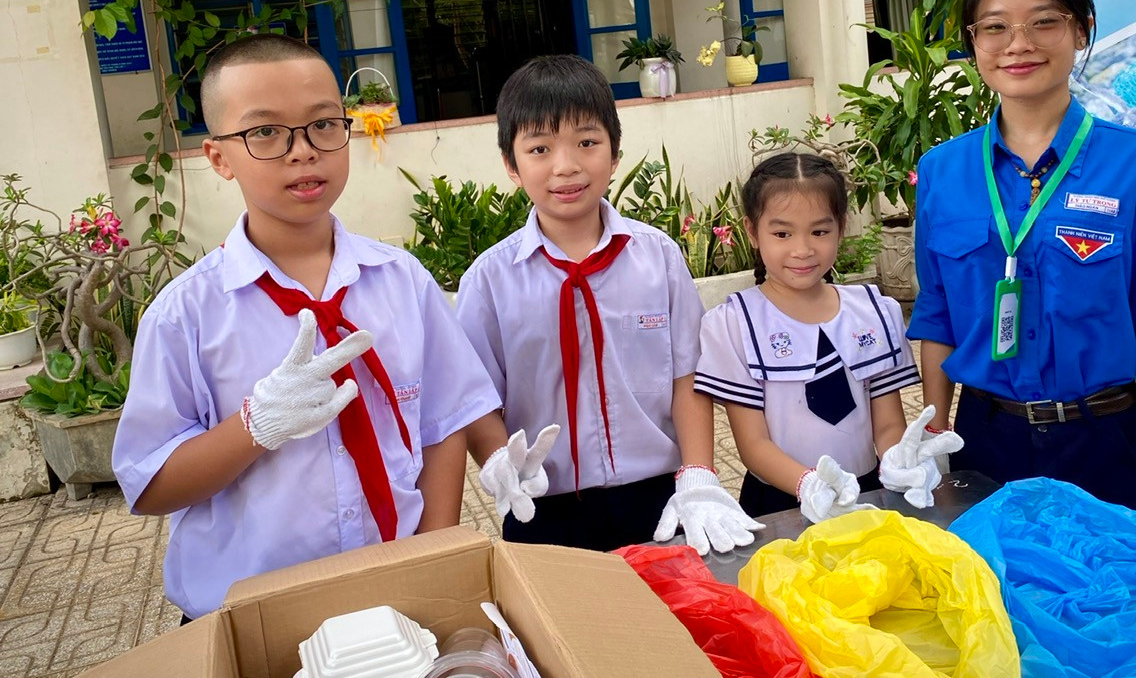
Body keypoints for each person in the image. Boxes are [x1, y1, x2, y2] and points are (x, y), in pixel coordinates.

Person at [112, 35, 501, 620]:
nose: (303, 151)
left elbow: (443, 422)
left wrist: (433, 552)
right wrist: (254, 425)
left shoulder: (402, 282)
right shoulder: (186, 315)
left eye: (323, 124)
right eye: (265, 132)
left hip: (397, 591)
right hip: (255, 611)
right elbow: (151, 485)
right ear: (218, 157)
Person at [909, 0, 1136, 536]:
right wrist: (935, 435)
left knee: (1119, 616)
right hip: (985, 442)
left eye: (1044, 22)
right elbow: (936, 315)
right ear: (972, 40)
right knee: (998, 618)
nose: (1018, 44)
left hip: (1106, 442)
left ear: (1082, 29)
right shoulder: (944, 170)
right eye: (994, 27)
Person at [456, 55, 762, 554]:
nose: (566, 165)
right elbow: (476, 398)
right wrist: (498, 465)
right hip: (542, 507)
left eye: (586, 142)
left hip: (659, 498)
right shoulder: (489, 281)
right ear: (512, 167)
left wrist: (699, 473)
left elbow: (688, 374)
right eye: (539, 148)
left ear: (615, 153)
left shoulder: (658, 257)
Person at [694, 152, 960, 523]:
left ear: (841, 226)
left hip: (867, 492)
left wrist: (900, 460)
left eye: (820, 231)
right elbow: (754, 445)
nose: (802, 249)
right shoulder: (734, 324)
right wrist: (810, 486)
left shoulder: (873, 310)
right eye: (782, 233)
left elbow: (887, 425)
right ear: (752, 232)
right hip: (780, 501)